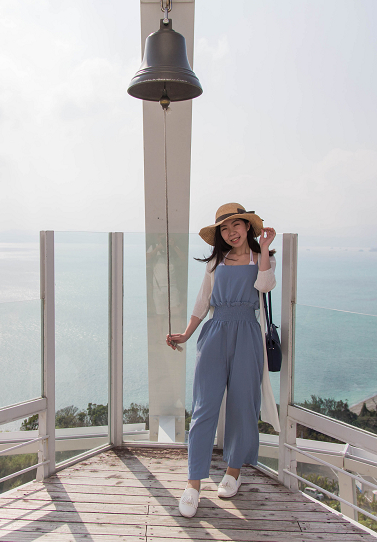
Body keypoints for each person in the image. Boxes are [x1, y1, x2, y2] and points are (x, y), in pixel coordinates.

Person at [166, 203, 279, 518]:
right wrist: (187, 334)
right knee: (204, 408)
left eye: (236, 226)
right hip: (215, 332)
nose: (231, 233)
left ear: (248, 227)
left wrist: (266, 249)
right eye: (225, 229)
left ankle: (233, 472)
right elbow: (203, 301)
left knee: (244, 404)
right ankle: (193, 484)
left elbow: (266, 286)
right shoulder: (216, 261)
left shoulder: (260, 259)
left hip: (247, 334)